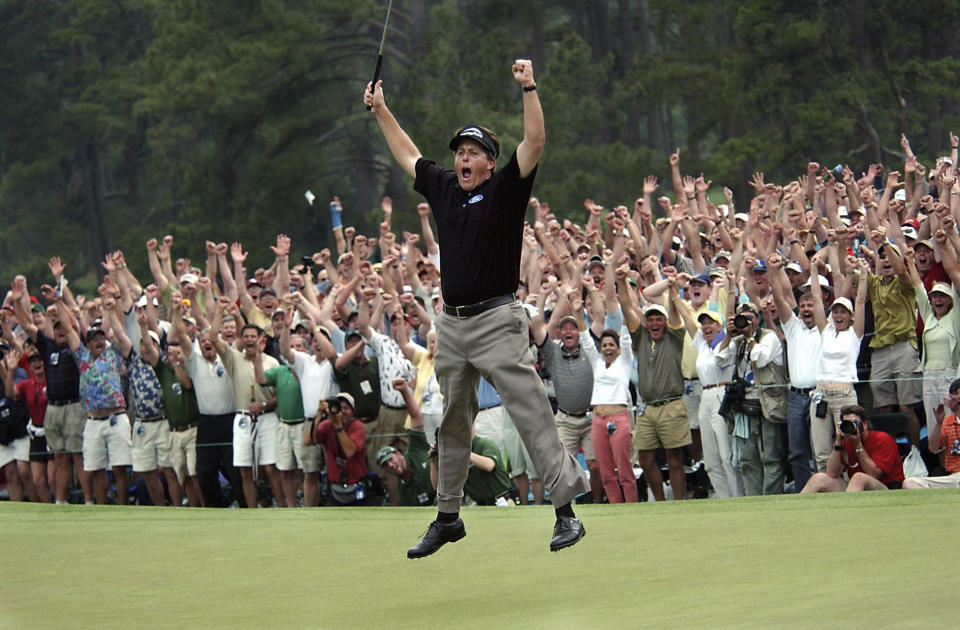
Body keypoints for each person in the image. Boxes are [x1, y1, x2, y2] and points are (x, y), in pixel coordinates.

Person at [365, 58, 588, 557]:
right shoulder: (444, 187)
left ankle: (565, 514)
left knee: (530, 411)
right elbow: (408, 154)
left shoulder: (505, 190)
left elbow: (534, 143)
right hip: (453, 324)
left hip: (497, 320)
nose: (463, 159)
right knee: (453, 422)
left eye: (472, 153)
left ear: (489, 162)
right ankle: (448, 516)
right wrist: (381, 110)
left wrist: (529, 87)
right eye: (459, 152)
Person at [617, 275, 691, 501]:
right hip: (648, 409)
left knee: (674, 459)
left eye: (660, 318)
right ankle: (660, 502)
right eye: (651, 319)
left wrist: (673, 287)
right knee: (646, 460)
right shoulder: (640, 337)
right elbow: (626, 308)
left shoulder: (674, 336)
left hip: (672, 404)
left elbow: (676, 315)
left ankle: (677, 504)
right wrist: (621, 281)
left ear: (666, 322)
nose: (655, 323)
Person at [573, 298, 637, 503]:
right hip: (598, 421)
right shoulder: (598, 364)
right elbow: (585, 340)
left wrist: (626, 303)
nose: (607, 348)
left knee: (624, 468)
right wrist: (576, 312)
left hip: (618, 418)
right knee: (606, 470)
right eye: (604, 345)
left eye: (612, 345)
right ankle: (616, 510)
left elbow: (626, 337)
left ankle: (633, 509)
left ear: (618, 348)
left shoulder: (624, 363)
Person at [800, 405, 904, 492]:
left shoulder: (882, 439)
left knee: (859, 477)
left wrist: (858, 446)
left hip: (886, 488)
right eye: (847, 423)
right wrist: (838, 443)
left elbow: (874, 474)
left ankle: (846, 511)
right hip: (856, 487)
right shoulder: (846, 441)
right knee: (819, 478)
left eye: (854, 422)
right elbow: (832, 473)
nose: (851, 426)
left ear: (865, 424)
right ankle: (795, 512)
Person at [375, 378, 436, 507]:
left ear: (398, 453)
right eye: (386, 465)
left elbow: (416, 417)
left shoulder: (415, 449)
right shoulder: (402, 490)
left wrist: (404, 391)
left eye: (390, 459)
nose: (391, 465)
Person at [310, 393, 375, 506]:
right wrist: (319, 414)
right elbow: (309, 441)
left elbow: (349, 451)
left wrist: (338, 426)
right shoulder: (327, 425)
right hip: (335, 490)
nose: (342, 411)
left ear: (352, 411)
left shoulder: (357, 426)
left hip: (357, 488)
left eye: (346, 408)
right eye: (339, 407)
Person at [903, 379, 960, 489]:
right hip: (953, 478)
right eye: (955, 395)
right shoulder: (948, 422)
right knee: (910, 483)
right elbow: (933, 448)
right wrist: (938, 424)